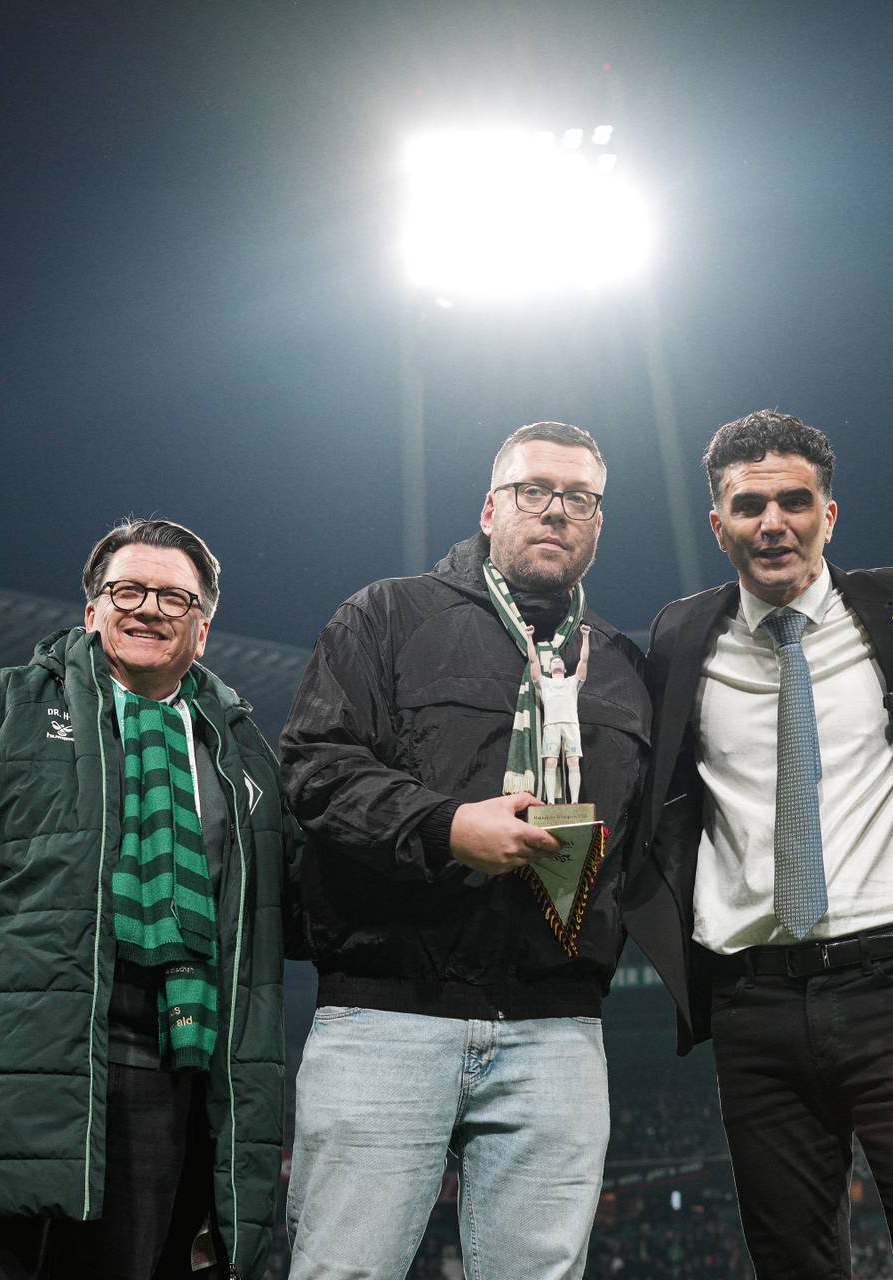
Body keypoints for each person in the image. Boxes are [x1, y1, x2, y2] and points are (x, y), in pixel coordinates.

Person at [0, 518, 297, 1278]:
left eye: (175, 598)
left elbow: (291, 910)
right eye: (128, 590)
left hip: (168, 1076)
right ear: (91, 612)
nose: (149, 608)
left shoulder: (241, 753)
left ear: (204, 629)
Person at [622, 410, 893, 1278]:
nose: (773, 523)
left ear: (831, 514)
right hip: (753, 1001)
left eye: (796, 501)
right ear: (719, 525)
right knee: (791, 1260)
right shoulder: (680, 637)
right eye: (749, 506)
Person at [281, 421, 652, 1279]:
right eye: (534, 492)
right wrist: (447, 827)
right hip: (387, 1013)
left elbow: (644, 836)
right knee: (345, 1270)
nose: (555, 512)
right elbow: (314, 768)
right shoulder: (388, 615)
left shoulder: (624, 666)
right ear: (490, 508)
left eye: (580, 499)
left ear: (597, 524)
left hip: (558, 1027)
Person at [525, 620, 593, 804]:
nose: (556, 661)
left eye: (559, 660)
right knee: (550, 763)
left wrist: (585, 637)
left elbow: (584, 660)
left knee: (573, 762)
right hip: (551, 726)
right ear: (550, 667)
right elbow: (533, 660)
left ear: (563, 668)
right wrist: (529, 637)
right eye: (553, 660)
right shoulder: (544, 683)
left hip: (570, 724)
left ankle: (575, 803)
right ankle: (551, 804)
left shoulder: (573, 682)